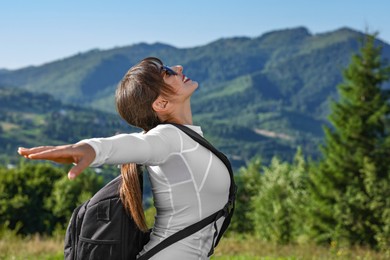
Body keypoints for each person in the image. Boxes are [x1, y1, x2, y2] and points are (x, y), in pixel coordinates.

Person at [18, 57, 231, 259]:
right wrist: (89, 149)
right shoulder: (169, 139)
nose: (178, 68)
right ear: (161, 104)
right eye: (167, 72)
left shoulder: (182, 137)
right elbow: (133, 144)